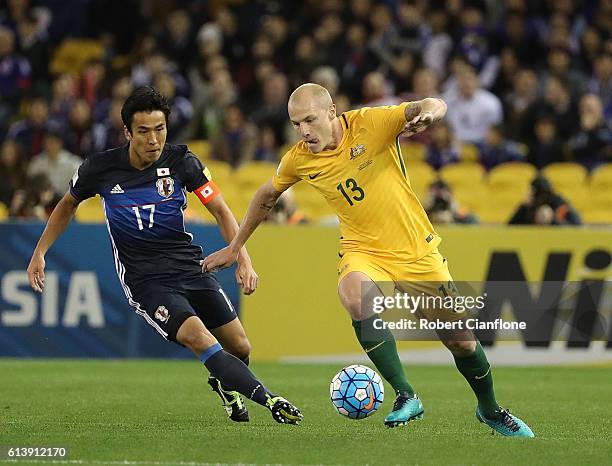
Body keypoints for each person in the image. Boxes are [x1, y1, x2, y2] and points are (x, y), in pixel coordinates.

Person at [203, 83, 534, 437]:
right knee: (355, 295)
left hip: (414, 249)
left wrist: (430, 115)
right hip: (362, 248)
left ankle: (490, 409)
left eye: (309, 120)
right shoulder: (298, 158)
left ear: (331, 113)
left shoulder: (371, 123)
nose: (303, 131)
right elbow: (267, 195)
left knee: (460, 341)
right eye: (296, 123)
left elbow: (432, 102)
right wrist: (236, 246)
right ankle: (406, 394)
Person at [26, 86, 302, 425]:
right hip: (147, 281)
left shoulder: (183, 161)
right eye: (143, 131)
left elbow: (219, 209)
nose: (153, 139)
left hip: (190, 268)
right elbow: (67, 205)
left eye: (160, 129)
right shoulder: (99, 169)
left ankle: (224, 383)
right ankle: (269, 399)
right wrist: (40, 251)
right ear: (127, 132)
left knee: (241, 347)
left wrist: (242, 258)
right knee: (199, 338)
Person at [509, 176, 581, 225]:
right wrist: (523, 208)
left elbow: (576, 229)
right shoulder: (529, 207)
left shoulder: (561, 206)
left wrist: (552, 221)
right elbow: (510, 228)